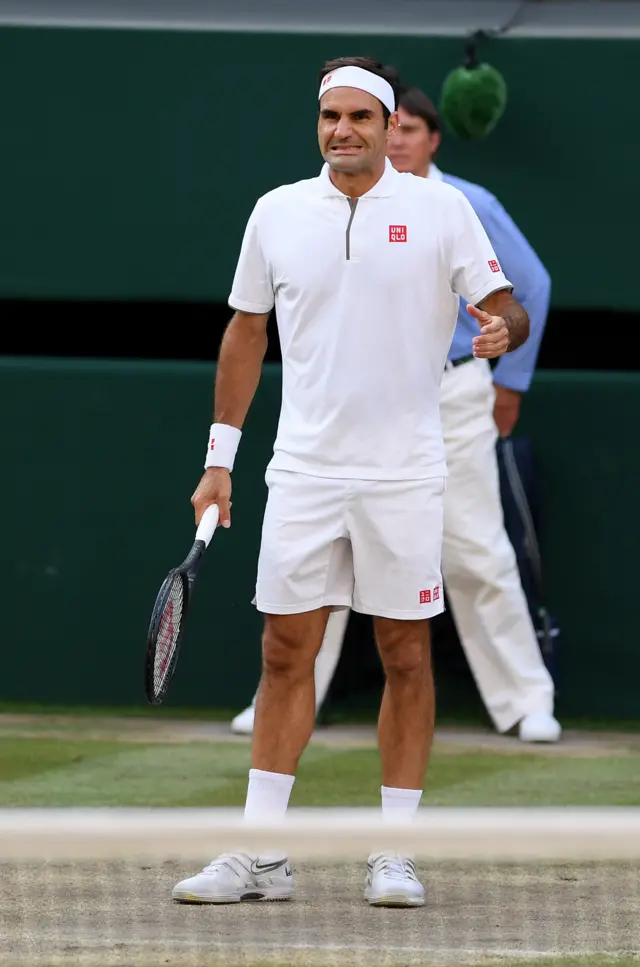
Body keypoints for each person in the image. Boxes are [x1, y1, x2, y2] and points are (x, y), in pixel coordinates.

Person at [173, 57, 528, 908]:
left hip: (405, 473)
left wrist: (498, 334)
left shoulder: (443, 211)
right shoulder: (277, 213)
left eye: (361, 118)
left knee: (405, 652)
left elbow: (507, 305)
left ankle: (394, 852)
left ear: (387, 124)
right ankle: (261, 856)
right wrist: (219, 458)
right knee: (283, 650)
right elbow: (245, 335)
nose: (343, 131)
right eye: (330, 117)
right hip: (303, 471)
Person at [231, 85, 560, 746]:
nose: (399, 138)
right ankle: (296, 696)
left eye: (409, 129)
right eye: (394, 127)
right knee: (317, 566)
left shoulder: (463, 205)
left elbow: (527, 289)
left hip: (450, 395)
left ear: (429, 139)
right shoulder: (300, 210)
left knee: (475, 547)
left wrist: (509, 378)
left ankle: (526, 698)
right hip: (347, 409)